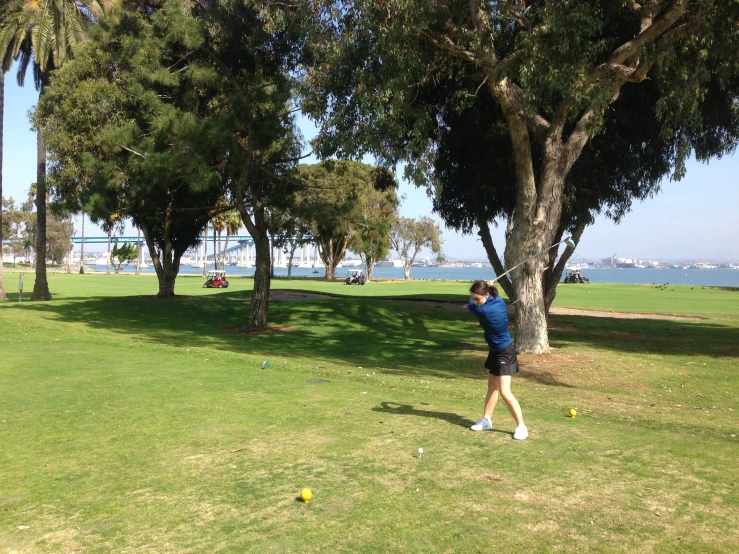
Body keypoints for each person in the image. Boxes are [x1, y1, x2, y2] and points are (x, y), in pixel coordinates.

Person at [467, 280, 528, 440]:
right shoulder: (498, 301)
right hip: (495, 350)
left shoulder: (485, 311)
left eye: (477, 298)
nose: (475, 301)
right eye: (472, 298)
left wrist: (486, 288)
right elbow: (491, 296)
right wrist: (490, 286)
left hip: (504, 352)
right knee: (492, 386)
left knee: (505, 392)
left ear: (486, 295)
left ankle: (522, 426)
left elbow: (471, 307)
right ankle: (487, 419)